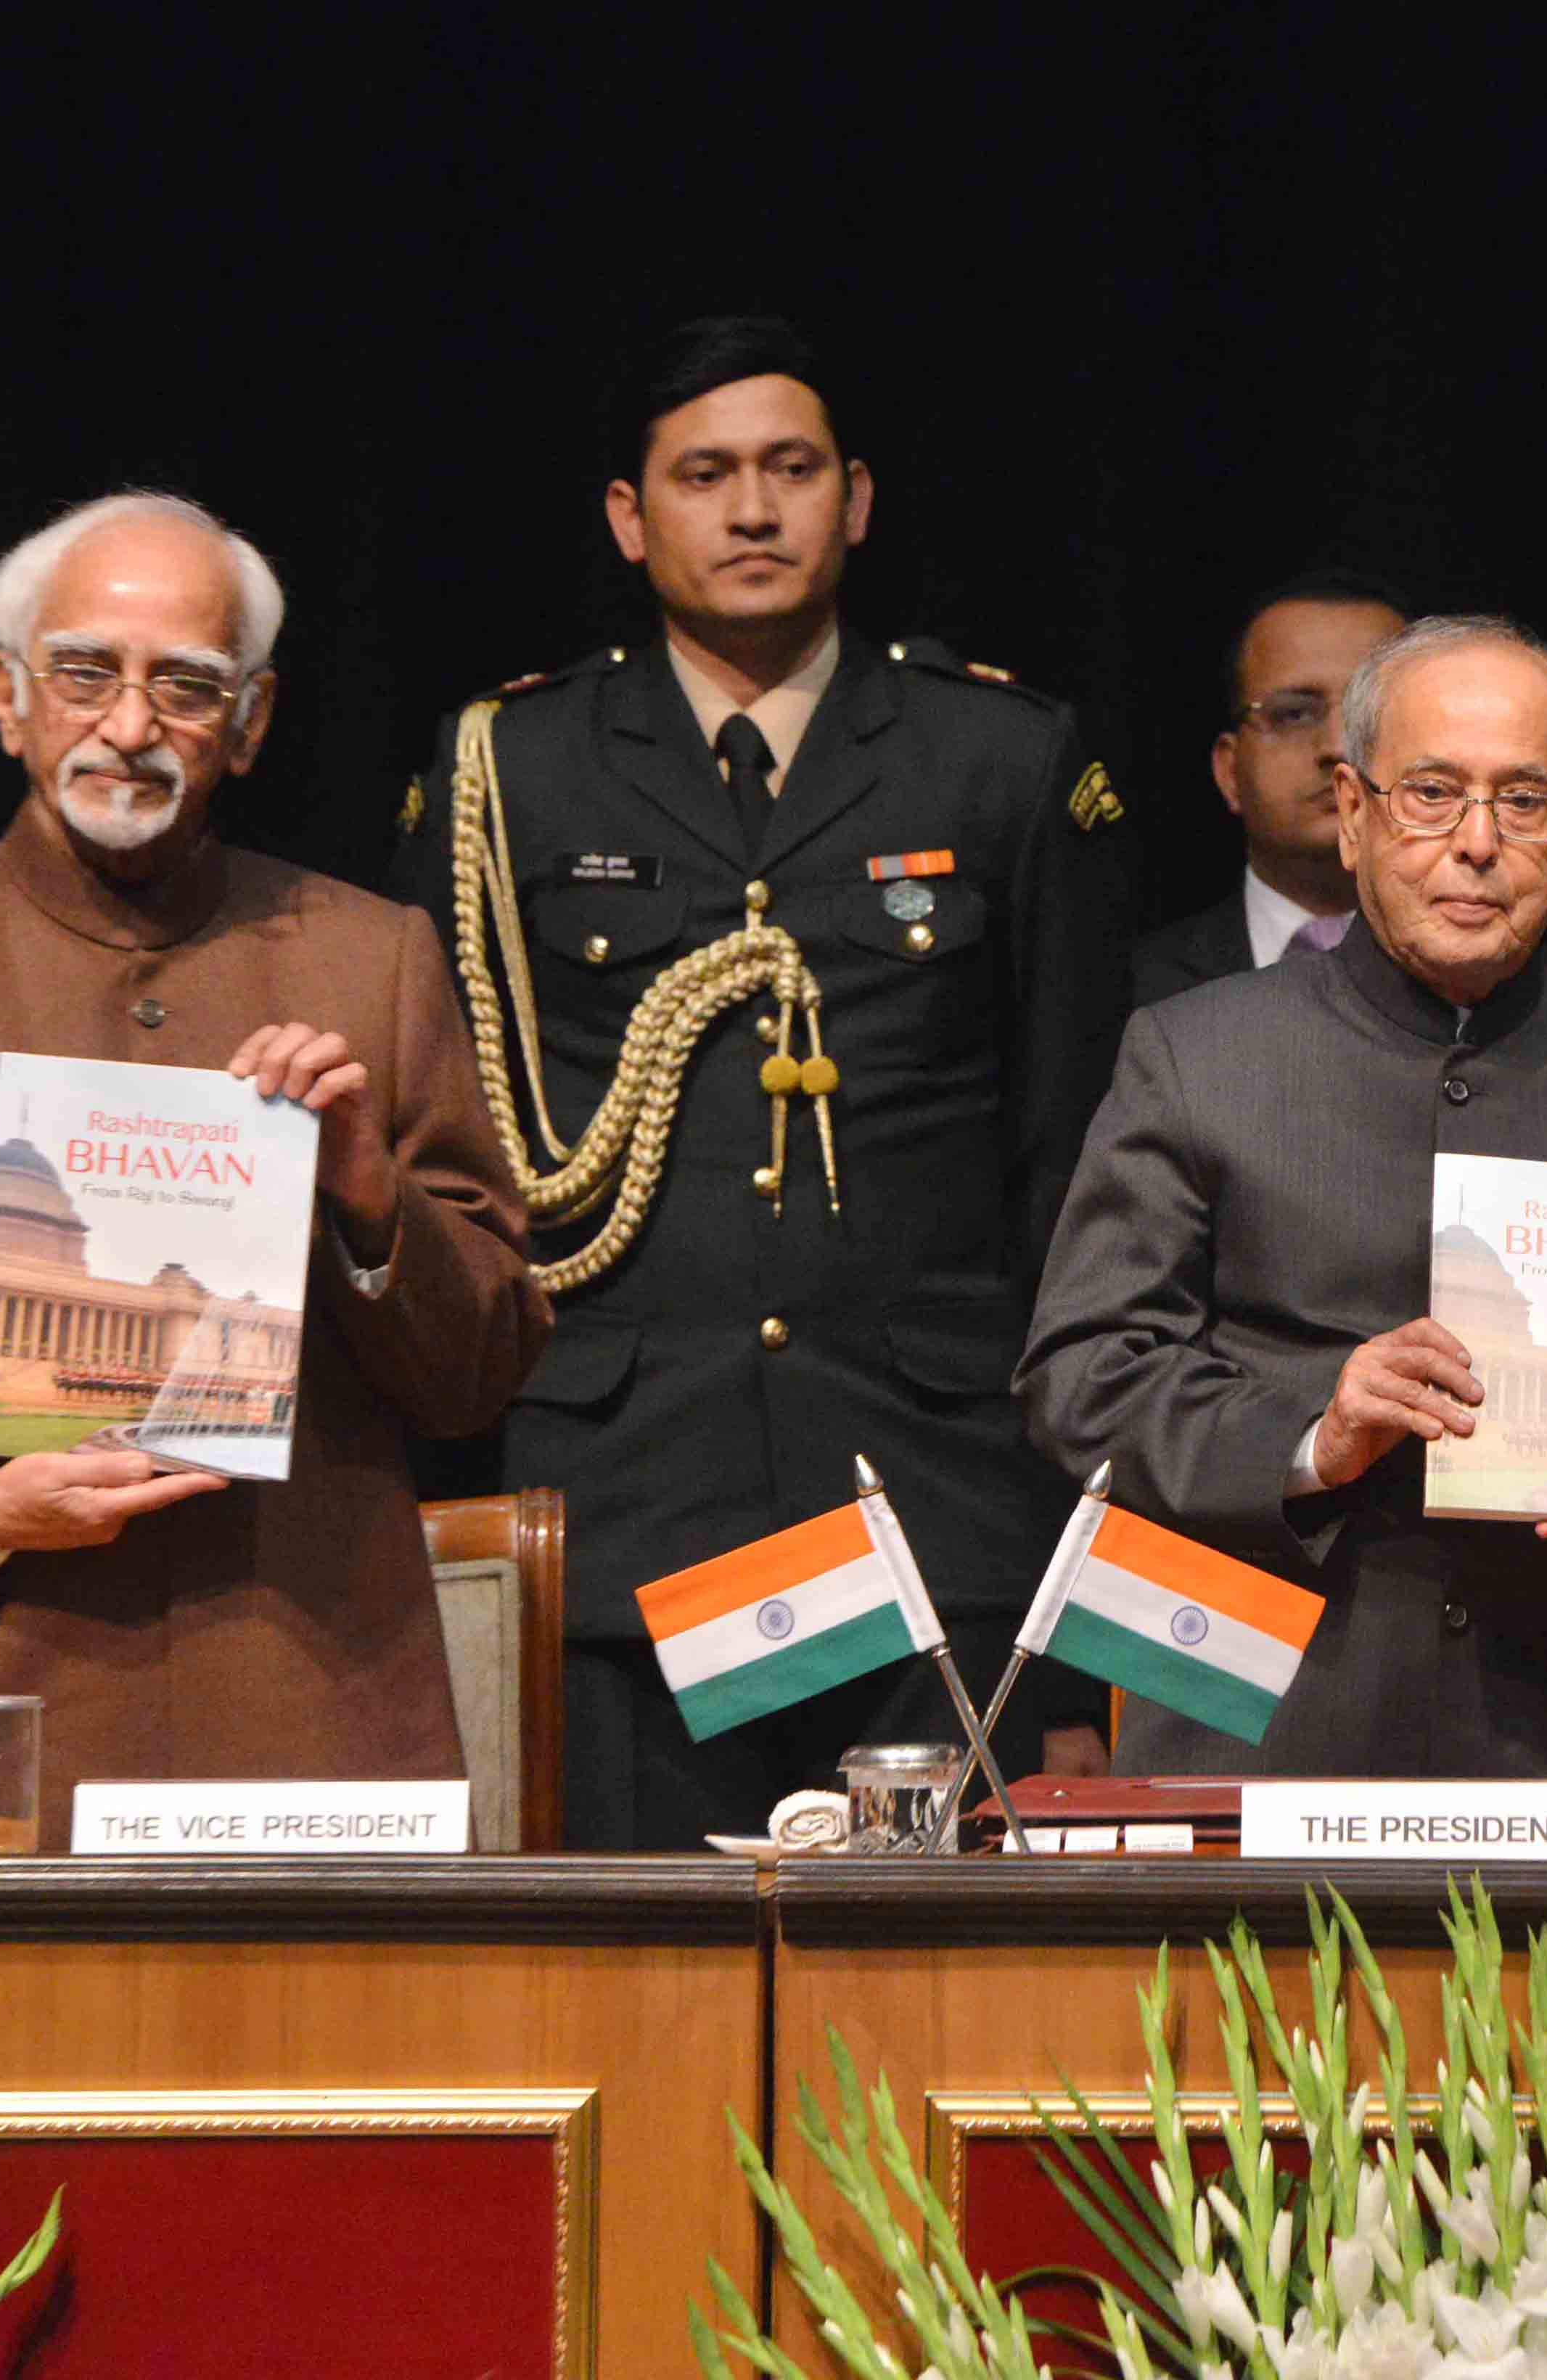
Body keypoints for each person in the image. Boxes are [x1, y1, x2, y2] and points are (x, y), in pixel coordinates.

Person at [0, 492, 550, 1852]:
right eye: (85, 671)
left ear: (254, 722)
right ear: (8, 698)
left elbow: (482, 1366)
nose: (132, 723)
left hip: (314, 1720)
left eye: (187, 685)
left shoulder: (368, 959)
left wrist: (367, 1200)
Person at [388, 315, 1136, 1847]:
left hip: (932, 1493)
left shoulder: (998, 752)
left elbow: (1067, 1160)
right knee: (643, 1999)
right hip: (626, 1495)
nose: (750, 510)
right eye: (705, 474)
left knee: (940, 2023)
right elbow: (451, 1148)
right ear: (628, 515)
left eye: (790, 469)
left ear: (854, 499)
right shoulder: (511, 767)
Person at [1018, 617, 1547, 1821]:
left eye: (1523, 801)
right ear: (1351, 813)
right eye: (1430, 795)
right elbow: (1080, 1376)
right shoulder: (1198, 1054)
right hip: (1245, 1736)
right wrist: (1315, 1431)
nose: (1476, 845)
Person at [1131, 574, 1408, 1004]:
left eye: (1371, 715)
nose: (1338, 748)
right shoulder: (1130, 990)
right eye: (1295, 714)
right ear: (1229, 772)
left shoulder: (1506, 981)